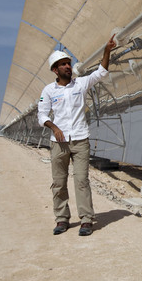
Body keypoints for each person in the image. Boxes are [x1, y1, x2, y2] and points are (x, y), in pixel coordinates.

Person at [37, 36, 116, 236]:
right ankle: (62, 219)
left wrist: (107, 51)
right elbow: (42, 115)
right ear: (55, 70)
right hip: (59, 144)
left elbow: (101, 72)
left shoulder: (80, 84)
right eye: (62, 64)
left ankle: (87, 220)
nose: (67, 66)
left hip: (80, 140)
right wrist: (54, 127)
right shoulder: (48, 91)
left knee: (81, 180)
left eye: (68, 63)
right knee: (58, 182)